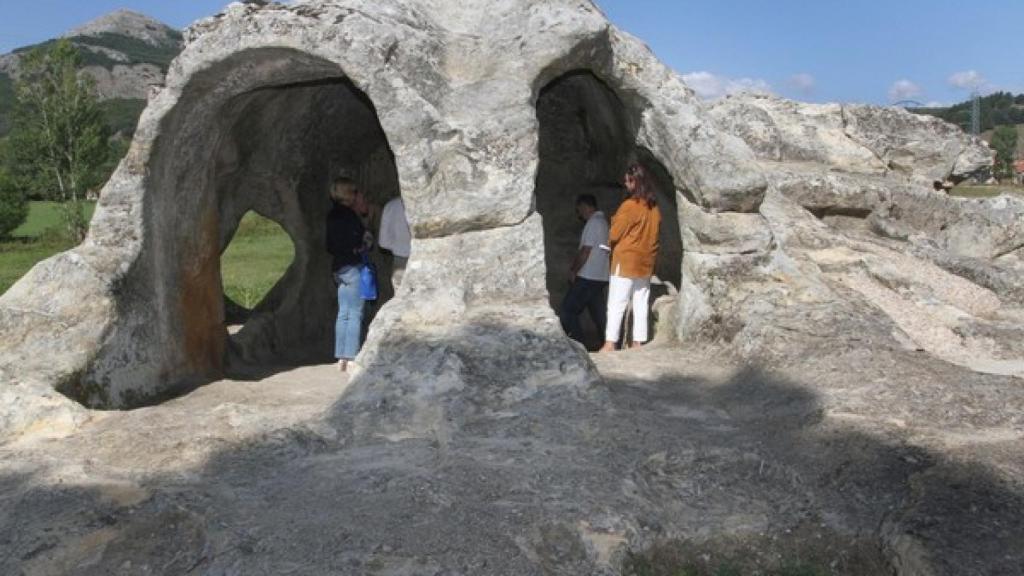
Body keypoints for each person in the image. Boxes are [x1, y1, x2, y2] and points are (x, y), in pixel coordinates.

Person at [599, 163, 661, 352]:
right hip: (645, 262)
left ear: (635, 182)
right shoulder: (654, 208)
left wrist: (612, 229)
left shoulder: (629, 206)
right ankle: (638, 342)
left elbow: (615, 233)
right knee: (641, 302)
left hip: (625, 260)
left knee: (617, 302)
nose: (626, 185)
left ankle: (610, 343)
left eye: (628, 181)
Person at [326, 177, 370, 372]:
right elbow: (358, 241)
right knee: (355, 313)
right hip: (353, 268)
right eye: (353, 191)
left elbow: (329, 245)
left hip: (338, 269)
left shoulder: (331, 215)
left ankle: (341, 357)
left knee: (343, 313)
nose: (356, 195)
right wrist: (362, 245)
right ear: (348, 194)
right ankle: (351, 356)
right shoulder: (349, 216)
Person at [559, 194, 609, 346]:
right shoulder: (604, 223)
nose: (579, 213)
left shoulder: (594, 223)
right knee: (599, 314)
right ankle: (609, 343)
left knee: (567, 312)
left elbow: (586, 251)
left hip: (588, 276)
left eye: (579, 209)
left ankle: (579, 345)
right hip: (600, 276)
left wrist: (574, 270)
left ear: (585, 206)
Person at [378, 196, 412, 291]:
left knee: (402, 300)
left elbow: (383, 242)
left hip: (400, 262)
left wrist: (399, 247)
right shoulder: (427, 204)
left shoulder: (391, 206)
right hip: (424, 259)